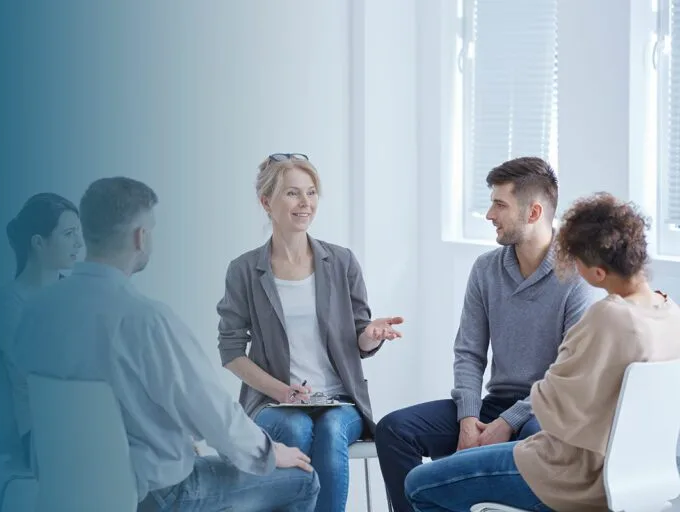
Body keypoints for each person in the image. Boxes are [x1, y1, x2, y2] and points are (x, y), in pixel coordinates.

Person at [14, 177, 320, 512]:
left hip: (67, 493)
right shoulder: (144, 319)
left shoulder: (36, 312)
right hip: (156, 497)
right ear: (139, 237)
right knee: (303, 480)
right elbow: (214, 415)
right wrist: (270, 452)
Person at [404, 192, 680, 512]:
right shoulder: (670, 312)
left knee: (420, 483)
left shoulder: (610, 317)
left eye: (576, 260)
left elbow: (549, 403)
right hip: (639, 476)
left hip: (569, 476)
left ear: (598, 273)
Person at [375, 157, 594, 512]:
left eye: (499, 204)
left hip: (545, 412)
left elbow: (567, 376)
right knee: (394, 430)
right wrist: (468, 417)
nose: (490, 214)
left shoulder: (577, 278)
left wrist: (507, 422)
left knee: (536, 441)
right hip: (492, 405)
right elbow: (469, 353)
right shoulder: (486, 269)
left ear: (534, 212)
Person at [217, 153, 404, 512]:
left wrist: (372, 334)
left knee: (333, 430)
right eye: (292, 193)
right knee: (296, 430)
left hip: (339, 399)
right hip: (273, 401)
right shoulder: (243, 270)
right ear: (266, 202)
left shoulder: (342, 261)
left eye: (312, 192)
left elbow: (359, 341)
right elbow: (231, 352)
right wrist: (283, 391)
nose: (306, 203)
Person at [0, 192, 83, 465]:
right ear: (39, 243)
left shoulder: (77, 293)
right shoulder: (10, 302)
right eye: (69, 234)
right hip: (45, 433)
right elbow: (47, 370)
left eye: (79, 233)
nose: (79, 243)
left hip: (88, 417)